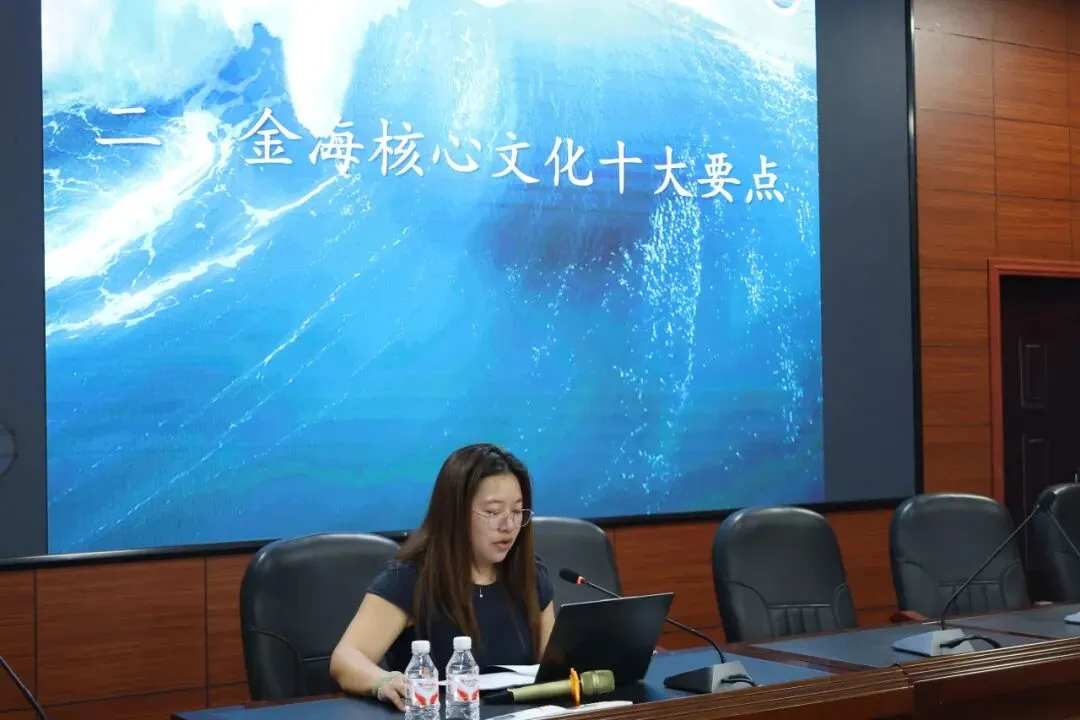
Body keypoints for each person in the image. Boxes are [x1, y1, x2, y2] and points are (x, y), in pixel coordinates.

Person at [330, 443, 556, 711]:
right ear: (455, 512)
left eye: (517, 511)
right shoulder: (411, 579)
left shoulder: (529, 574)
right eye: (493, 512)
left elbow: (555, 668)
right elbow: (346, 658)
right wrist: (384, 682)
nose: (508, 525)